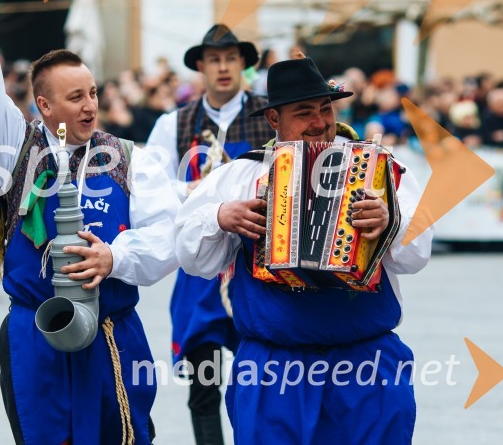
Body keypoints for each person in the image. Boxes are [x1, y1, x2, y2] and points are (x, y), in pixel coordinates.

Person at [0, 0, 180, 444]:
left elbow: (168, 235)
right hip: (34, 333)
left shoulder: (129, 157)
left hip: (112, 334)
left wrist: (114, 259)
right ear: (44, 106)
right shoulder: (15, 147)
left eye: (93, 92)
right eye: (76, 97)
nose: (91, 106)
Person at [174, 57, 434, 444]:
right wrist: (218, 216)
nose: (319, 122)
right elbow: (191, 258)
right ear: (274, 120)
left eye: (325, 109)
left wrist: (389, 224)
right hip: (275, 367)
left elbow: (417, 255)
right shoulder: (241, 176)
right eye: (304, 113)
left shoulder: (382, 170)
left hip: (366, 362)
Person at [146, 24, 274, 445]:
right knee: (204, 386)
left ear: (243, 65)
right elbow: (149, 188)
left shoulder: (270, 115)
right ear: (200, 66)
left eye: (231, 58)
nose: (223, 67)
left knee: (260, 379)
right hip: (199, 270)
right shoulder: (174, 124)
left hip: (259, 267)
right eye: (215, 59)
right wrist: (192, 192)